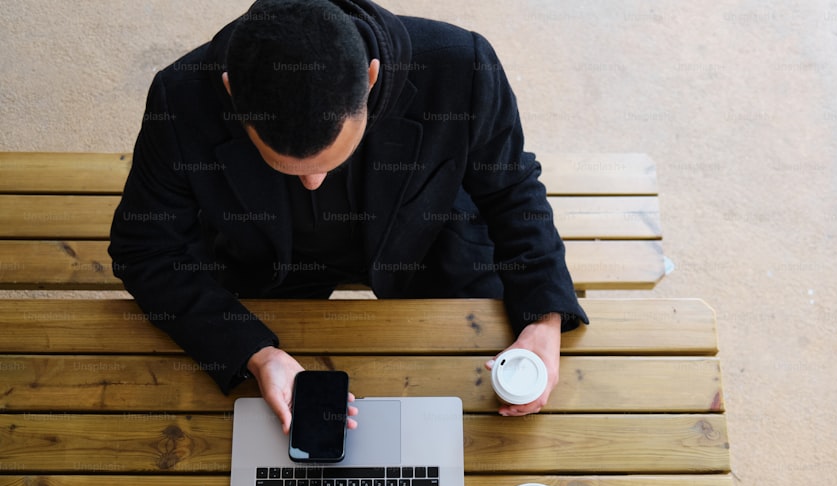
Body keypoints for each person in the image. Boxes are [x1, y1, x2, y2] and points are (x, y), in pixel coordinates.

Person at [109, 0, 588, 432]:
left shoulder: (462, 67)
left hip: (430, 245)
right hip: (265, 267)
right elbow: (145, 248)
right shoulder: (179, 97)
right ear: (232, 93)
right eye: (286, 167)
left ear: (372, 77)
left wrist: (544, 319)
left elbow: (511, 189)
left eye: (330, 160)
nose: (315, 184)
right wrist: (257, 354)